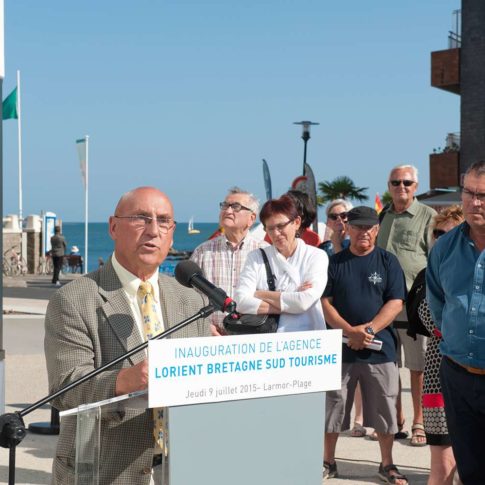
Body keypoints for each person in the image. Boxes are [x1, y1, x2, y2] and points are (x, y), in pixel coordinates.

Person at [44, 187, 211, 485]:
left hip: (180, 468)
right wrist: (126, 380)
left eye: (163, 221)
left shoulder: (191, 300)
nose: (153, 230)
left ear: (172, 233)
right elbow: (65, 387)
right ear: (113, 226)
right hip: (104, 470)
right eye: (140, 218)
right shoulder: (74, 298)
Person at [322, 206, 407, 484]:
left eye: (370, 227)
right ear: (347, 228)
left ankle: (387, 464)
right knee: (333, 408)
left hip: (380, 351)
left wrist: (368, 330)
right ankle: (328, 462)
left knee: (385, 409)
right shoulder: (334, 262)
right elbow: (325, 303)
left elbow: (395, 302)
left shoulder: (388, 261)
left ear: (377, 229)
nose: (364, 232)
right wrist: (349, 331)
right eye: (358, 227)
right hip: (341, 348)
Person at [427, 160, 485, 484]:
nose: (474, 202)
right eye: (469, 193)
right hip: (458, 377)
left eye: (483, 195)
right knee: (471, 470)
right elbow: (437, 303)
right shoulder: (445, 248)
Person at [377, 164, 436, 446]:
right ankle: (396, 420)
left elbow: (435, 259)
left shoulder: (428, 216)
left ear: (416, 186)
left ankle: (419, 422)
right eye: (396, 182)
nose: (401, 187)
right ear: (388, 185)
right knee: (388, 365)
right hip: (384, 303)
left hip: (415, 303)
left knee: (418, 366)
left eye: (407, 183)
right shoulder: (383, 215)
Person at [407, 206, 464, 485]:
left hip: (476, 380)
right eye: (437, 234)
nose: (440, 239)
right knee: (443, 466)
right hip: (437, 379)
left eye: (448, 234)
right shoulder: (425, 277)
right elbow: (435, 323)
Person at [235, 195, 327, 333]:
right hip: (268, 341)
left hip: (308, 340)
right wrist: (292, 303)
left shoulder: (316, 256)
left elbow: (304, 301)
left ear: (296, 222)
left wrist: (258, 293)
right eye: (270, 228)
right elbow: (240, 301)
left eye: (281, 226)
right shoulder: (256, 257)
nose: (276, 233)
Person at [190, 187, 267, 335]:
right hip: (211, 340)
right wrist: (206, 327)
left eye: (235, 207)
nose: (228, 210)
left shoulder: (264, 252)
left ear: (251, 218)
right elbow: (188, 297)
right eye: (225, 205)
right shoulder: (202, 252)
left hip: (253, 338)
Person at [319, 199, 365, 438]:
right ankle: (334, 419)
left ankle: (359, 417)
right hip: (329, 314)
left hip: (354, 313)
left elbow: (348, 271)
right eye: (334, 216)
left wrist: (339, 244)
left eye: (344, 216)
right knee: (337, 371)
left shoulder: (359, 244)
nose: (340, 221)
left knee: (357, 367)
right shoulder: (321, 248)